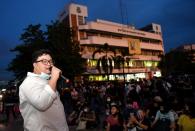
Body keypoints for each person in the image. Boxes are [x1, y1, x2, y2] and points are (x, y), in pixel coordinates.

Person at [19, 49, 69, 131]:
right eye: (44, 61)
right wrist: (54, 78)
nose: (49, 64)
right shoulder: (28, 83)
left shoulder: (47, 81)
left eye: (50, 61)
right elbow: (42, 104)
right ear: (35, 65)